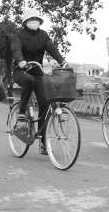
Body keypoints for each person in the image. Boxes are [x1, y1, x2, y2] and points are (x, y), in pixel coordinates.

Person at [11, 9, 68, 155]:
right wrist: (21, 61)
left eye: (36, 19)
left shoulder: (43, 35)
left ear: (40, 22)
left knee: (45, 102)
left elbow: (52, 48)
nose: (34, 21)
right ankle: (22, 112)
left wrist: (62, 62)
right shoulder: (18, 34)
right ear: (26, 22)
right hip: (21, 71)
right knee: (28, 81)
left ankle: (43, 141)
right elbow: (16, 49)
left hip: (37, 72)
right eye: (31, 19)